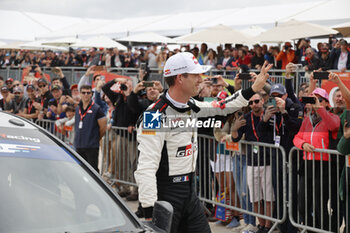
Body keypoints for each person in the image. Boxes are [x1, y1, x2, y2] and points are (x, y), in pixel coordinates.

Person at [134, 52, 272, 233]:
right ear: (179, 78)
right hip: (166, 195)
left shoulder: (191, 104)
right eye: (195, 75)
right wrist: (151, 214)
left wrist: (252, 88)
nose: (201, 79)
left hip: (190, 191)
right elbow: (145, 168)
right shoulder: (154, 115)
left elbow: (224, 106)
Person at [293, 87, 340, 232]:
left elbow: (334, 125)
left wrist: (320, 109)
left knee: (320, 205)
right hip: (307, 164)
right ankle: (312, 229)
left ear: (326, 103)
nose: (315, 103)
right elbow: (297, 138)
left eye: (319, 99)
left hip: (324, 166)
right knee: (302, 205)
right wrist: (303, 144)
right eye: (313, 99)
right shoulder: (307, 120)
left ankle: (323, 230)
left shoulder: (332, 117)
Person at [74, 84, 107, 172]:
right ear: (80, 94)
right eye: (83, 92)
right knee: (80, 170)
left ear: (91, 94)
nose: (86, 95)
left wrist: (95, 138)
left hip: (91, 146)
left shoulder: (97, 109)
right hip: (79, 145)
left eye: (88, 93)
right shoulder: (78, 108)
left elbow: (103, 127)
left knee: (92, 171)